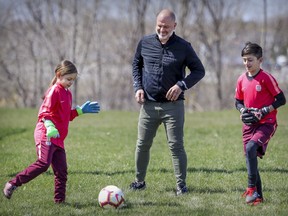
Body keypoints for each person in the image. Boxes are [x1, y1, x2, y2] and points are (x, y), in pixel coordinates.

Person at [3, 60, 100, 203]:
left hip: (58, 138)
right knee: (43, 163)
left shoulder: (67, 93)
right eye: (68, 79)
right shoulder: (54, 90)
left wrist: (80, 111)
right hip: (46, 133)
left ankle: (59, 202)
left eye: (73, 80)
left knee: (62, 171)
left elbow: (66, 115)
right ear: (59, 75)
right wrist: (49, 125)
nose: (70, 82)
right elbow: (44, 112)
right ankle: (13, 184)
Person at [130, 9, 205, 196]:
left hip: (173, 107)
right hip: (148, 105)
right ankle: (139, 182)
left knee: (176, 146)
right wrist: (138, 87)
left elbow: (199, 70)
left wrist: (182, 85)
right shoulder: (145, 42)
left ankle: (181, 186)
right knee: (142, 144)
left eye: (166, 27)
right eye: (159, 26)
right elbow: (136, 65)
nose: (162, 30)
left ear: (175, 26)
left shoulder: (184, 46)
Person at [235, 42, 286, 205]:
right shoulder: (241, 79)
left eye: (250, 60)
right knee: (250, 157)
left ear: (260, 60)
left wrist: (264, 111)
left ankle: (251, 188)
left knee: (251, 148)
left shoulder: (266, 78)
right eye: (244, 60)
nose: (246, 64)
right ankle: (259, 196)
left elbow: (281, 99)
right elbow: (238, 102)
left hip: (267, 123)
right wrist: (243, 111)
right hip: (249, 125)